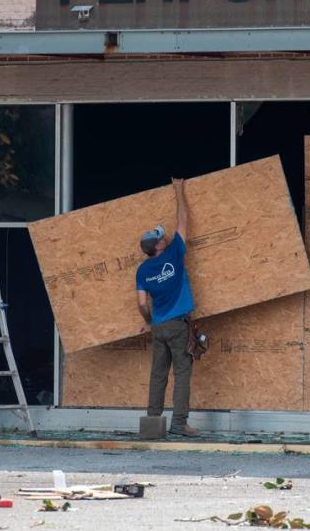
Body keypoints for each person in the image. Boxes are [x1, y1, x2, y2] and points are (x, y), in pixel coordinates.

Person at [135, 178, 199, 437]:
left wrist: (150, 321)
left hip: (159, 326)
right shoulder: (174, 254)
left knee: (158, 374)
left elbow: (141, 303)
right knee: (182, 374)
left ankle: (152, 424)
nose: (166, 237)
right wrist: (179, 190)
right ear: (158, 246)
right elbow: (183, 220)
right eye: (162, 237)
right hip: (178, 325)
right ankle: (178, 424)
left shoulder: (142, 269)